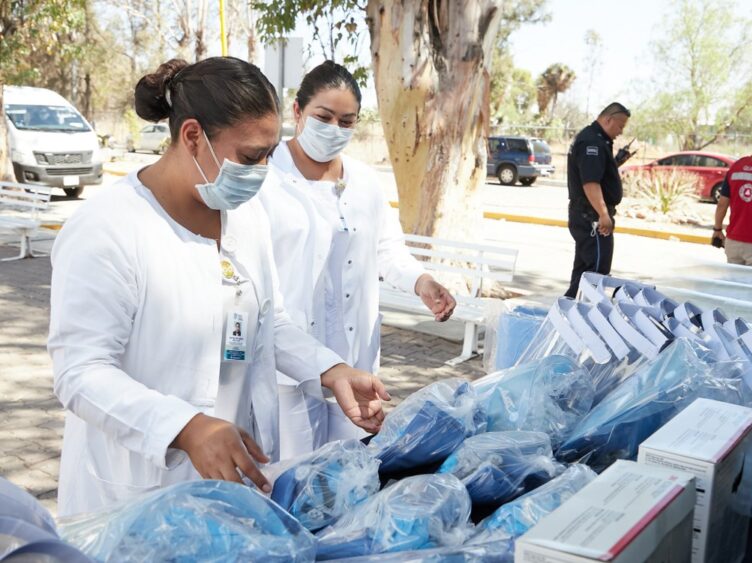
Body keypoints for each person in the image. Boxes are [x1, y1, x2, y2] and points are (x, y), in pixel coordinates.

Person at [48, 57, 391, 517]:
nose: (264, 170)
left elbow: (269, 322)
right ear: (192, 136)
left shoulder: (245, 217)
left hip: (233, 478)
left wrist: (331, 369)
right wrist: (185, 428)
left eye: (271, 154)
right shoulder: (108, 229)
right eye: (251, 156)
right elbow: (80, 372)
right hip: (137, 491)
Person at [257, 61, 456, 458]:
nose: (334, 129)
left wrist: (421, 281)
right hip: (289, 366)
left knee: (348, 468)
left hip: (354, 357)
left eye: (346, 122)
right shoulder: (264, 177)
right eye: (324, 116)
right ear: (297, 112)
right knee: (292, 473)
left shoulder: (364, 180)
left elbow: (387, 248)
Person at [564, 103, 631, 298]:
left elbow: (597, 173)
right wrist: (603, 214)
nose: (621, 132)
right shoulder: (591, 142)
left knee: (585, 272)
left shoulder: (597, 139)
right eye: (620, 126)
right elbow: (590, 183)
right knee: (596, 273)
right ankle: (570, 312)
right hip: (591, 216)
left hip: (588, 214)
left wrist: (616, 161)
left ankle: (569, 312)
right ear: (608, 120)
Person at [713, 128, 752, 267]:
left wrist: (717, 230)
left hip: (733, 243)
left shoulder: (737, 166)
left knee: (733, 286)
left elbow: (722, 204)